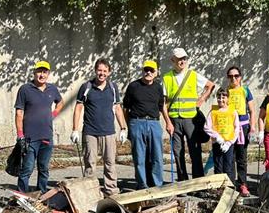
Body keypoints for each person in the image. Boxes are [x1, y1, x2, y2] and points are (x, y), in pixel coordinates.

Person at [71, 58, 127, 196]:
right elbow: (78, 108)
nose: (101, 73)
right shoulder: (86, 87)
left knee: (110, 162)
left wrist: (123, 128)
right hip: (90, 131)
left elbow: (118, 108)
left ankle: (111, 190)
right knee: (90, 162)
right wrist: (75, 129)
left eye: (104, 71)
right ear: (95, 70)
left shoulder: (113, 88)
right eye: (99, 70)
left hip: (108, 131)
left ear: (109, 72)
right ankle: (90, 192)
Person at [161, 48, 215, 181]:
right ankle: (182, 181)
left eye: (184, 58)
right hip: (174, 120)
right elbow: (162, 103)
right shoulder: (167, 77)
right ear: (173, 60)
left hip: (191, 120)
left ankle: (198, 181)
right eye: (179, 59)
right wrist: (167, 122)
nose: (182, 61)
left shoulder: (193, 75)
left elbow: (210, 85)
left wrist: (201, 100)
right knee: (177, 152)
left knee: (195, 151)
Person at [14, 61, 63, 193]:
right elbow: (19, 113)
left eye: (45, 72)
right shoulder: (25, 89)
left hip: (47, 137)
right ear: (34, 73)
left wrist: (53, 114)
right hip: (30, 138)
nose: (42, 75)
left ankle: (41, 196)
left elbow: (60, 102)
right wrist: (20, 135)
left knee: (44, 169)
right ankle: (22, 197)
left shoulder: (52, 89)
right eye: (39, 71)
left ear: (48, 73)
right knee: (27, 169)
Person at [123, 60, 165, 189]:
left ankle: (157, 184)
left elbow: (162, 107)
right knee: (139, 157)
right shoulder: (133, 86)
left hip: (154, 123)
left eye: (152, 70)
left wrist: (168, 123)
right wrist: (128, 125)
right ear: (143, 71)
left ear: (156, 72)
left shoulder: (158, 87)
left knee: (157, 156)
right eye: (146, 70)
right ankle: (142, 185)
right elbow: (125, 108)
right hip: (137, 122)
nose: (148, 72)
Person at [226, 65, 256, 196]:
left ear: (240, 77)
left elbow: (252, 110)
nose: (233, 78)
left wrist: (253, 127)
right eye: (230, 76)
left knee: (241, 157)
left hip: (243, 127)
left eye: (236, 76)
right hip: (228, 127)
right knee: (229, 157)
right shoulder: (225, 91)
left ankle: (243, 184)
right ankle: (231, 184)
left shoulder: (245, 90)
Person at [205, 87, 241, 185]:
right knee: (218, 166)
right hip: (217, 143)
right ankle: (219, 188)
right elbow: (207, 127)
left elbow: (236, 128)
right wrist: (217, 137)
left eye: (224, 97)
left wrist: (229, 142)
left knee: (228, 166)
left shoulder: (233, 111)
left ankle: (229, 187)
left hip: (228, 144)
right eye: (219, 97)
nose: (221, 100)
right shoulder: (213, 111)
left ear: (228, 98)